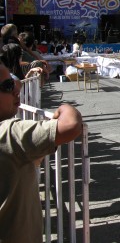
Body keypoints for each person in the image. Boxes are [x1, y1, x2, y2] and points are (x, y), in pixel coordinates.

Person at [0, 62, 83, 243]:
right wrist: (65, 108)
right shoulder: (9, 133)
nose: (16, 90)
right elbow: (71, 126)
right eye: (8, 86)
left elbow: (30, 162)